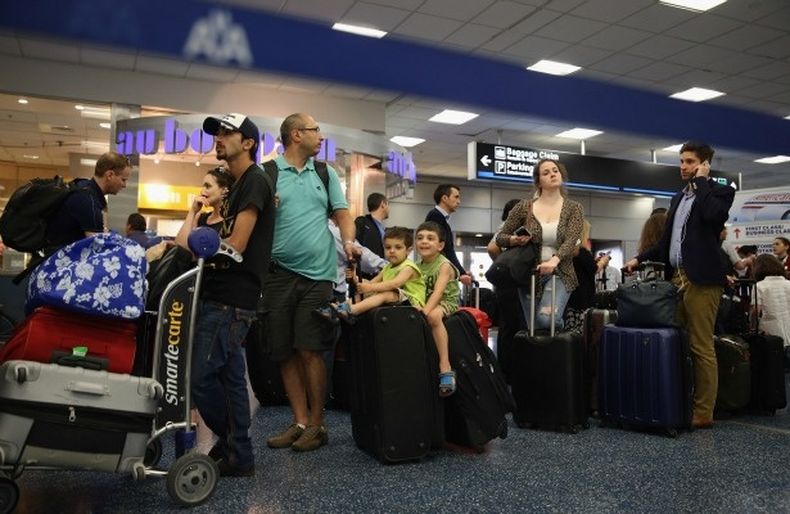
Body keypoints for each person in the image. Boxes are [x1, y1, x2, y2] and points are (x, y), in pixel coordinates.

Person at [187, 112, 275, 477]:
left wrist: (202, 245)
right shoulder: (239, 184)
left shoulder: (254, 180)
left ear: (249, 143)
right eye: (217, 132)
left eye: (227, 133)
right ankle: (239, 454)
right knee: (231, 379)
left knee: (199, 376)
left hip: (230, 298)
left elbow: (237, 244)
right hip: (227, 295)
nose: (219, 138)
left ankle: (234, 443)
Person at [625, 141, 735, 429]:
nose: (683, 167)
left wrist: (701, 182)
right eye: (682, 161)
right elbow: (665, 243)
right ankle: (680, 400)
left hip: (702, 280)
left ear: (704, 163)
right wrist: (638, 258)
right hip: (676, 278)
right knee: (675, 342)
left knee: (701, 345)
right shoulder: (677, 199)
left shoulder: (720, 192)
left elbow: (712, 216)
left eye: (689, 162)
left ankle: (703, 411)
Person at [264, 113, 355, 453]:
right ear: (297, 134)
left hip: (318, 275)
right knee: (284, 350)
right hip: (277, 275)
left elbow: (343, 214)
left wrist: (348, 241)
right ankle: (299, 421)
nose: (321, 136)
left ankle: (317, 424)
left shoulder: (324, 172)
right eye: (317, 130)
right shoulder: (268, 172)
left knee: (310, 349)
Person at [495, 159, 584, 331]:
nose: (552, 174)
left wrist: (554, 260)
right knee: (534, 328)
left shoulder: (574, 208)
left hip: (561, 273)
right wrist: (514, 240)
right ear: (538, 181)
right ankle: (547, 353)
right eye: (546, 172)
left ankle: (563, 331)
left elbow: (572, 239)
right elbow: (500, 238)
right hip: (529, 275)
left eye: (555, 170)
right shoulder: (524, 207)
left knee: (546, 320)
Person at [319, 226, 425, 322]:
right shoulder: (387, 267)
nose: (392, 251)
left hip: (412, 302)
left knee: (385, 294)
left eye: (398, 247)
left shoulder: (408, 267)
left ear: (408, 250)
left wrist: (370, 288)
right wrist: (356, 279)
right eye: (388, 247)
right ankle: (338, 308)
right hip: (397, 299)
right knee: (365, 294)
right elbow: (371, 284)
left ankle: (352, 310)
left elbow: (394, 284)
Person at [45, 151, 131, 248]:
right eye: (123, 180)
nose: (124, 185)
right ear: (110, 175)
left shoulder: (82, 187)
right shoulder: (89, 200)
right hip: (60, 260)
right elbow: (97, 248)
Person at [415, 221, 460, 396]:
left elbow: (439, 292)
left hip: (446, 302)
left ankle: (445, 366)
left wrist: (425, 311)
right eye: (420, 238)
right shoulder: (417, 267)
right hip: (426, 302)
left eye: (430, 238)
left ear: (440, 245)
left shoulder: (444, 265)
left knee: (433, 316)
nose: (424, 241)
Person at [175, 166, 236, 246]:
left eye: (207, 186)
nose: (202, 191)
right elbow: (181, 245)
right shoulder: (200, 217)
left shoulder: (232, 221)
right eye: (203, 186)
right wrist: (193, 211)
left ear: (224, 190)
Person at [426, 184, 472, 287]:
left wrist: (461, 271)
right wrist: (461, 273)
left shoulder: (440, 218)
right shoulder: (435, 216)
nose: (459, 201)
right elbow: (446, 249)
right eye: (456, 197)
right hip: (438, 271)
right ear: (444, 198)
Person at [753, 254, 790, 356]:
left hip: (770, 334)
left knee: (774, 367)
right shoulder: (788, 284)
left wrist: (752, 326)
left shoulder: (759, 286)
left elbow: (756, 310)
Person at [564, 220, 596, 334]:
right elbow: (593, 269)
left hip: (571, 298)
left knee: (571, 331)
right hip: (584, 299)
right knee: (583, 333)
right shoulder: (583, 252)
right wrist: (603, 262)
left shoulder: (567, 253)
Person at [354, 192, 389, 264]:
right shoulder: (362, 222)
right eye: (388, 205)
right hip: (364, 271)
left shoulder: (384, 230)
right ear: (383, 204)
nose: (389, 209)